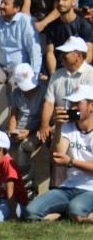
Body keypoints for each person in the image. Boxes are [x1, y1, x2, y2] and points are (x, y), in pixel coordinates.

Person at [25, 84, 93, 221]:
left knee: (76, 209)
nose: (73, 107)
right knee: (31, 211)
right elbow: (56, 155)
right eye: (72, 103)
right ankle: (66, 213)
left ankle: (71, 213)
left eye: (77, 103)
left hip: (90, 188)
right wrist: (58, 127)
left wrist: (71, 162)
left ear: (91, 106)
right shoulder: (68, 126)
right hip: (68, 186)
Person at [38, 36, 93, 143]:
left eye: (65, 53)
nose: (61, 56)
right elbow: (48, 103)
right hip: (60, 126)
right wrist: (44, 126)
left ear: (78, 55)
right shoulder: (56, 75)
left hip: (84, 129)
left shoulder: (91, 74)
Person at [43, 0, 93, 75]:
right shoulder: (51, 27)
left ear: (73, 1)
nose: (60, 3)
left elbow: (89, 52)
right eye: (57, 0)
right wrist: (53, 75)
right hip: (60, 71)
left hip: (81, 71)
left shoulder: (84, 25)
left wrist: (77, 72)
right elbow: (50, 53)